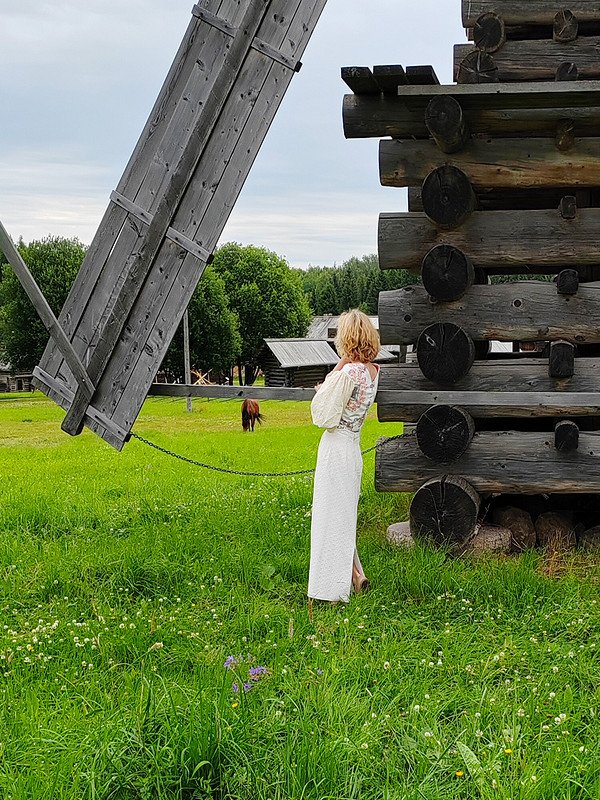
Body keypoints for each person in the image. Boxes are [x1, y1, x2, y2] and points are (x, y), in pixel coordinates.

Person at [308, 309, 381, 606]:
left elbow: (323, 415)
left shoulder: (349, 374)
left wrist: (323, 389)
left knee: (329, 517)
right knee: (343, 516)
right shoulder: (373, 371)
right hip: (353, 449)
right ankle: (353, 575)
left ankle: (331, 588)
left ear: (346, 338)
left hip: (335, 447)